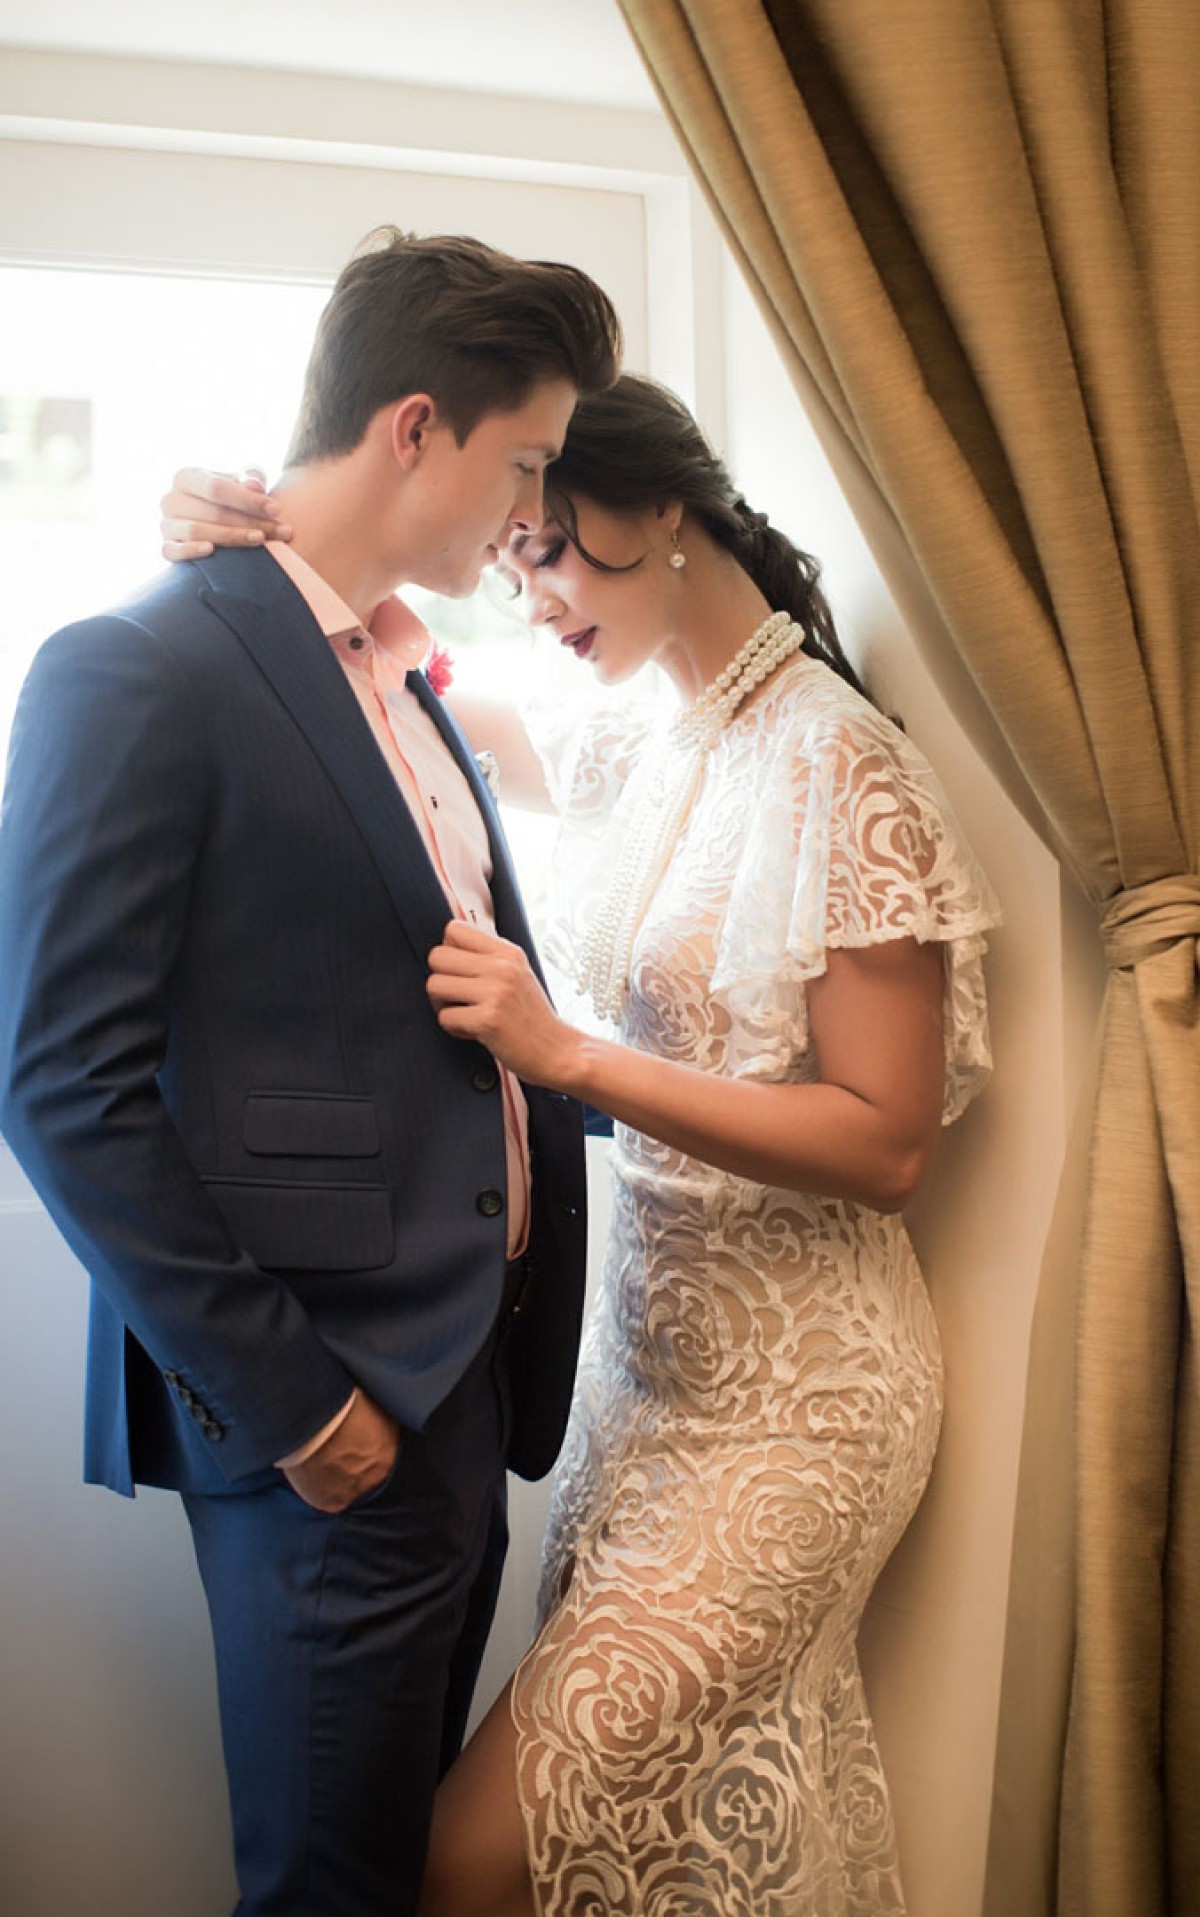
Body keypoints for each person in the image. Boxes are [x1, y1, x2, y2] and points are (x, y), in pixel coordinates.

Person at [160, 373, 1000, 1916]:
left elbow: (889, 1143)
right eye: (512, 558)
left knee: (464, 1862)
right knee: (631, 1855)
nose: (532, 595)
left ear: (663, 506)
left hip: (800, 1409)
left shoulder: (841, 762)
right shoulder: (634, 741)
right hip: (639, 1386)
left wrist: (565, 1054)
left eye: (547, 547)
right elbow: (371, 686)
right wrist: (257, 540)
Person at [0, 230, 621, 1917]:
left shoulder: (406, 677)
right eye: (526, 463)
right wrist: (301, 1408)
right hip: (330, 1407)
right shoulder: (135, 665)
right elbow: (60, 1081)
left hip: (466, 1380)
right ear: (415, 427)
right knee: (328, 1891)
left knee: (395, 1875)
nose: (533, 517)